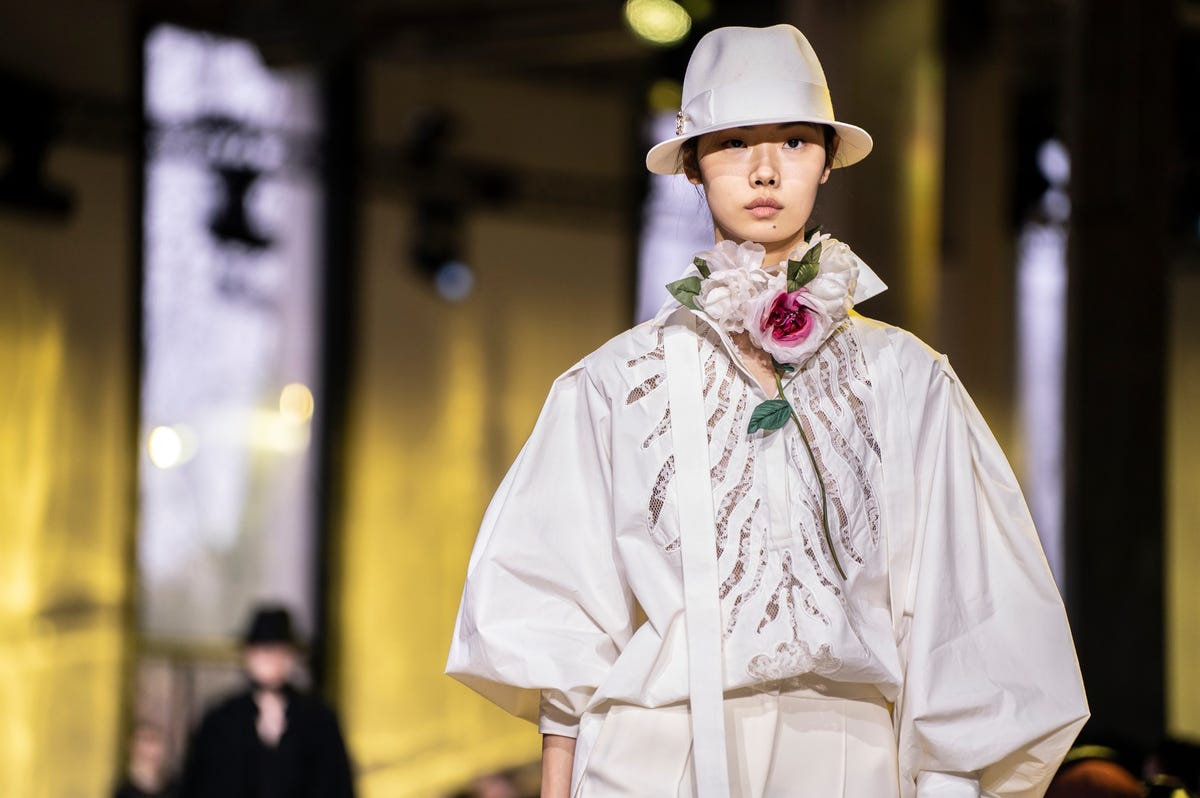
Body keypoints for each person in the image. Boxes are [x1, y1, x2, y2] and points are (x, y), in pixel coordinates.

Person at [446, 23, 1089, 798]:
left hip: (849, 753)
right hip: (655, 752)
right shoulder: (612, 384)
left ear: (826, 161)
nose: (763, 169)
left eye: (792, 141)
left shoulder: (907, 380)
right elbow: (561, 614)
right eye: (731, 142)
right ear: (691, 164)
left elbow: (965, 611)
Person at [179, 605, 355, 798]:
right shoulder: (221, 721)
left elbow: (337, 786)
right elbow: (199, 784)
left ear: (292, 657)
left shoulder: (319, 720)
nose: (272, 659)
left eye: (280, 652)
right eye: (264, 651)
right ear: (248, 656)